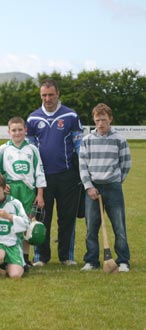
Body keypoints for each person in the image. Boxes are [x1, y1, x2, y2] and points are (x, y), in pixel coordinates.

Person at [26, 78, 83, 267]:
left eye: (51, 94)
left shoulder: (71, 116)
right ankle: (41, 257)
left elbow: (79, 146)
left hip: (67, 175)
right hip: (43, 178)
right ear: (40, 95)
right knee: (42, 218)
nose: (47, 98)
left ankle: (66, 256)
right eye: (44, 95)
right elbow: (30, 152)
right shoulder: (33, 118)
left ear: (58, 94)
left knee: (67, 218)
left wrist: (82, 171)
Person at [79, 103, 131, 272]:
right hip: (93, 188)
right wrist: (89, 187)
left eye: (103, 119)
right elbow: (83, 166)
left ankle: (123, 260)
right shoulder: (87, 140)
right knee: (91, 228)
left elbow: (126, 164)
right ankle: (92, 261)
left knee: (119, 227)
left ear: (110, 119)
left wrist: (116, 181)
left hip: (113, 188)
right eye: (97, 120)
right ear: (94, 120)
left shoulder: (119, 139)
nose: (100, 123)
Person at [0, 117, 46, 269]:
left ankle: (25, 257)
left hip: (28, 190)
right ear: (9, 132)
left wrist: (40, 193)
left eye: (20, 130)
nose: (17, 133)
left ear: (26, 130)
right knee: (10, 222)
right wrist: (3, 185)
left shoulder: (32, 149)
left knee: (26, 222)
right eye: (14, 130)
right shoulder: (4, 149)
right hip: (11, 189)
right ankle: (9, 256)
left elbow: (39, 172)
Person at [0, 173, 30, 279]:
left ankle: (9, 265)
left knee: (15, 275)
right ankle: (0, 261)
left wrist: (9, 216)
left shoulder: (15, 203)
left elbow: (26, 223)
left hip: (13, 245)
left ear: (4, 188)